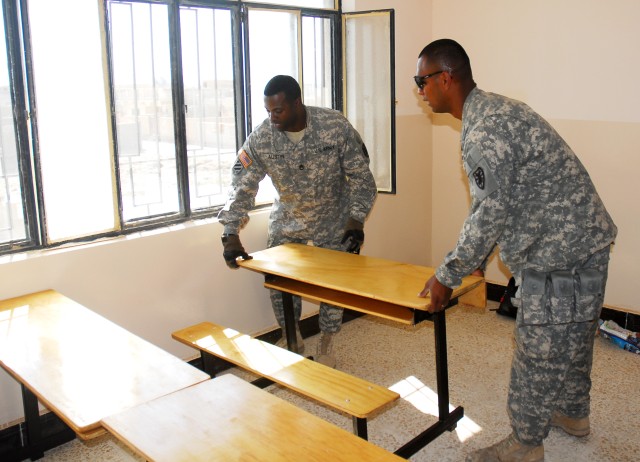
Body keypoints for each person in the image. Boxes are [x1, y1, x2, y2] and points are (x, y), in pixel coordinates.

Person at [414, 39, 617, 462]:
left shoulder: (484, 130)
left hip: (559, 251)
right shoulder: (495, 108)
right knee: (576, 334)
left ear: (445, 78)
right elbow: (504, 203)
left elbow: (488, 213)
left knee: (538, 349)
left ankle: (525, 444)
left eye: (422, 80)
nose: (420, 90)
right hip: (587, 236)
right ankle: (573, 414)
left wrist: (447, 275)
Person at [218, 75, 377, 368]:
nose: (272, 117)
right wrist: (230, 233)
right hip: (288, 218)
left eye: (278, 110)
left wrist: (356, 219)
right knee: (279, 282)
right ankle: (292, 339)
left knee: (333, 283)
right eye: (268, 111)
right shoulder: (262, 138)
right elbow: (242, 185)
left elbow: (361, 177)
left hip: (334, 218)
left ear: (296, 103)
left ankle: (328, 339)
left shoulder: (334, 126)